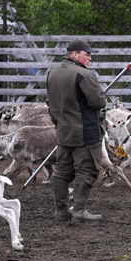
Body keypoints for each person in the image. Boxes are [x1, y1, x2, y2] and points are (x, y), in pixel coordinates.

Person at [46, 38, 106, 222]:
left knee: (62, 171)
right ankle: (79, 210)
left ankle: (61, 211)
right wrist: (102, 95)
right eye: (87, 55)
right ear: (75, 54)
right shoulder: (84, 74)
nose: (90, 59)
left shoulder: (52, 73)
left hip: (63, 132)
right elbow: (98, 102)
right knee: (87, 169)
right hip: (85, 133)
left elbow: (50, 102)